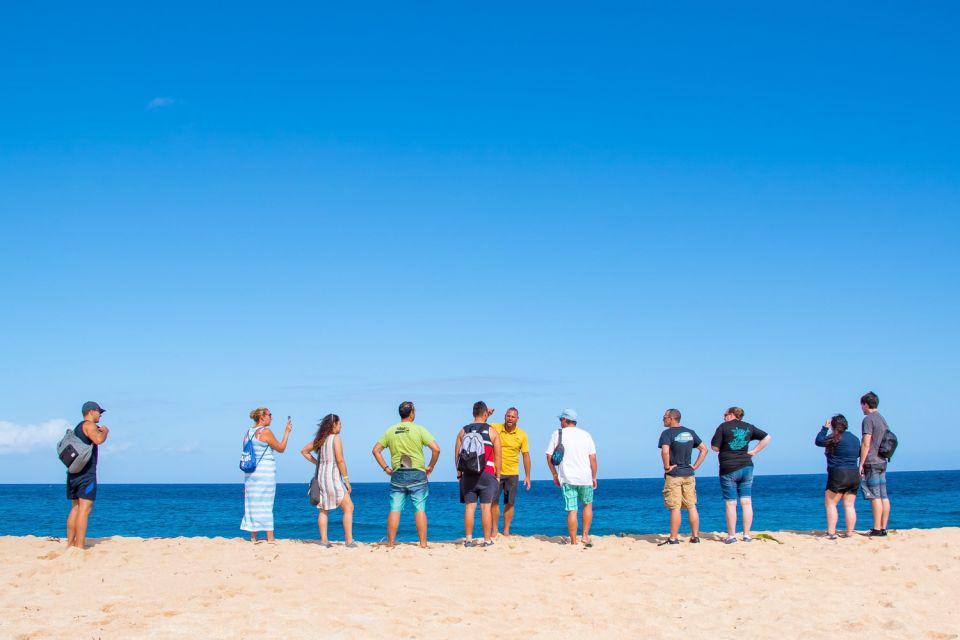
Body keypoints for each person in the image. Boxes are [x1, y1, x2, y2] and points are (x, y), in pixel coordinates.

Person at [372, 401, 441, 548]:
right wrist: (431, 466)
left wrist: (386, 468)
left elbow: (376, 450)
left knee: (395, 508)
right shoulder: (419, 429)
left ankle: (390, 543)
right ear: (412, 413)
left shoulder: (391, 430)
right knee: (419, 508)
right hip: (417, 472)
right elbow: (436, 449)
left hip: (398, 473)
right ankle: (423, 543)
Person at [710, 406, 772, 543]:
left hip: (728, 467)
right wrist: (754, 451)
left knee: (731, 503)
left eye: (725, 414)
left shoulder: (723, 427)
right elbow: (767, 437)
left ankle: (731, 535)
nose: (724, 417)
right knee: (746, 501)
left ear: (732, 414)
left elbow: (714, 448)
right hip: (746, 466)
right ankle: (746, 535)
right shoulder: (749, 427)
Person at [301, 413, 355, 547]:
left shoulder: (320, 439)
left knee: (323, 510)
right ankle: (349, 541)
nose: (341, 426)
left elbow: (304, 451)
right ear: (334, 425)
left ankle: (324, 541)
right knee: (349, 507)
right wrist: (347, 480)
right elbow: (340, 459)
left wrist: (317, 463)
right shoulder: (335, 438)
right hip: (333, 477)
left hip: (321, 477)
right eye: (339, 423)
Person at [545, 409, 597, 546]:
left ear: (565, 420)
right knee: (587, 505)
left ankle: (573, 541)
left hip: (567, 478)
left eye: (560, 419)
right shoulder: (586, 435)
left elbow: (549, 456)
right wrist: (594, 477)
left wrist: (555, 474)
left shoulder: (557, 434)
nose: (559, 422)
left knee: (572, 510)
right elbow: (593, 458)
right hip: (585, 478)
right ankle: (585, 536)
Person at [240, 407, 292, 542]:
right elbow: (281, 448)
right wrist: (286, 432)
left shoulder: (247, 433)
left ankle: (253, 537)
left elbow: (247, 454)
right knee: (266, 504)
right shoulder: (266, 432)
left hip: (250, 474)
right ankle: (270, 538)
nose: (271, 417)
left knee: (252, 504)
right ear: (262, 417)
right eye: (270, 415)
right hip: (265, 473)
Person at [455, 401, 502, 547]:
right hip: (487, 473)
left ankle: (468, 540)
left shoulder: (463, 431)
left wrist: (459, 475)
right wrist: (498, 475)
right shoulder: (492, 431)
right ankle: (487, 540)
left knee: (470, 507)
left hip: (468, 474)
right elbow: (499, 456)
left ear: (473, 413)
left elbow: (457, 455)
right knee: (485, 507)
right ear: (485, 414)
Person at [658, 408, 707, 545]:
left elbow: (665, 451)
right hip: (688, 474)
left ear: (672, 418)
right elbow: (704, 449)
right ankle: (695, 536)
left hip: (674, 474)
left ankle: (673, 538)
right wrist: (695, 466)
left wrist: (667, 467)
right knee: (691, 505)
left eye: (664, 417)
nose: (663, 419)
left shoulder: (667, 433)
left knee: (675, 507)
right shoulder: (690, 433)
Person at [65, 401, 109, 549]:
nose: (101, 415)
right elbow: (98, 440)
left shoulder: (78, 427)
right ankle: (79, 546)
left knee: (75, 508)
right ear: (91, 412)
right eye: (99, 412)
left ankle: (70, 544)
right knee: (85, 509)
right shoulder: (89, 425)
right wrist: (105, 432)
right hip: (86, 474)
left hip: (74, 472)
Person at [815, 414, 861, 539]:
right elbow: (859, 454)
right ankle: (850, 532)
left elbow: (818, 441)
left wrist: (824, 428)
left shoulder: (834, 437)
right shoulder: (855, 439)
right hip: (854, 473)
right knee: (849, 505)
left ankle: (831, 532)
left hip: (838, 473)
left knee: (831, 503)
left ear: (834, 426)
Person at [490, 407, 531, 537]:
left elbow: (526, 455)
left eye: (513, 417)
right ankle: (495, 530)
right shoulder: (495, 427)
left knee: (510, 502)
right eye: (508, 416)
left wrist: (528, 476)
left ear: (517, 419)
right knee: (493, 501)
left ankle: (506, 530)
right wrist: (488, 415)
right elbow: (479, 424)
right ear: (504, 416)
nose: (510, 418)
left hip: (512, 473)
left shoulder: (522, 435)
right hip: (496, 472)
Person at [858, 391, 892, 536]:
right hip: (882, 460)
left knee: (875, 496)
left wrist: (861, 462)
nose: (861, 408)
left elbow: (866, 443)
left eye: (861, 405)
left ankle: (877, 528)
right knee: (884, 495)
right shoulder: (883, 419)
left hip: (871, 460)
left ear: (866, 404)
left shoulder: (868, 420)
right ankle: (883, 527)